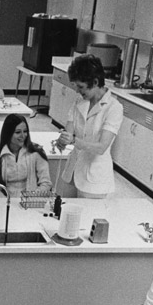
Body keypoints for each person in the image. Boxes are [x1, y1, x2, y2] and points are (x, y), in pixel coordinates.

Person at [55, 54, 122, 198]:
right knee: (64, 213)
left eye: (81, 87)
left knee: (87, 218)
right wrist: (63, 139)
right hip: (72, 172)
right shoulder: (79, 101)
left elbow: (101, 147)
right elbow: (69, 129)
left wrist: (73, 140)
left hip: (94, 179)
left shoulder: (114, 108)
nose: (77, 91)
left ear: (96, 82)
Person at [0, 114, 52, 197]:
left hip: (30, 203)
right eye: (18, 132)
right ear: (8, 133)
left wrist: (30, 199)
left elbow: (46, 183)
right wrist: (6, 203)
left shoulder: (36, 153)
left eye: (25, 131)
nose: (23, 136)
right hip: (5, 203)